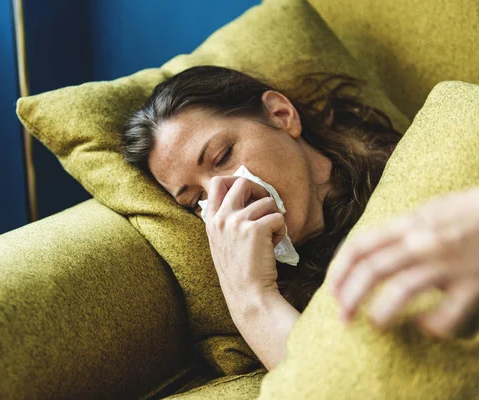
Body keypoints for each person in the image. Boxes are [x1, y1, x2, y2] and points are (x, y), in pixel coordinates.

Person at [120, 65, 479, 370]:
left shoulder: (428, 158)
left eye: (223, 155)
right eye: (198, 199)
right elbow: (331, 384)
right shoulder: (292, 302)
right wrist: (250, 299)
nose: (224, 197)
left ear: (281, 115)